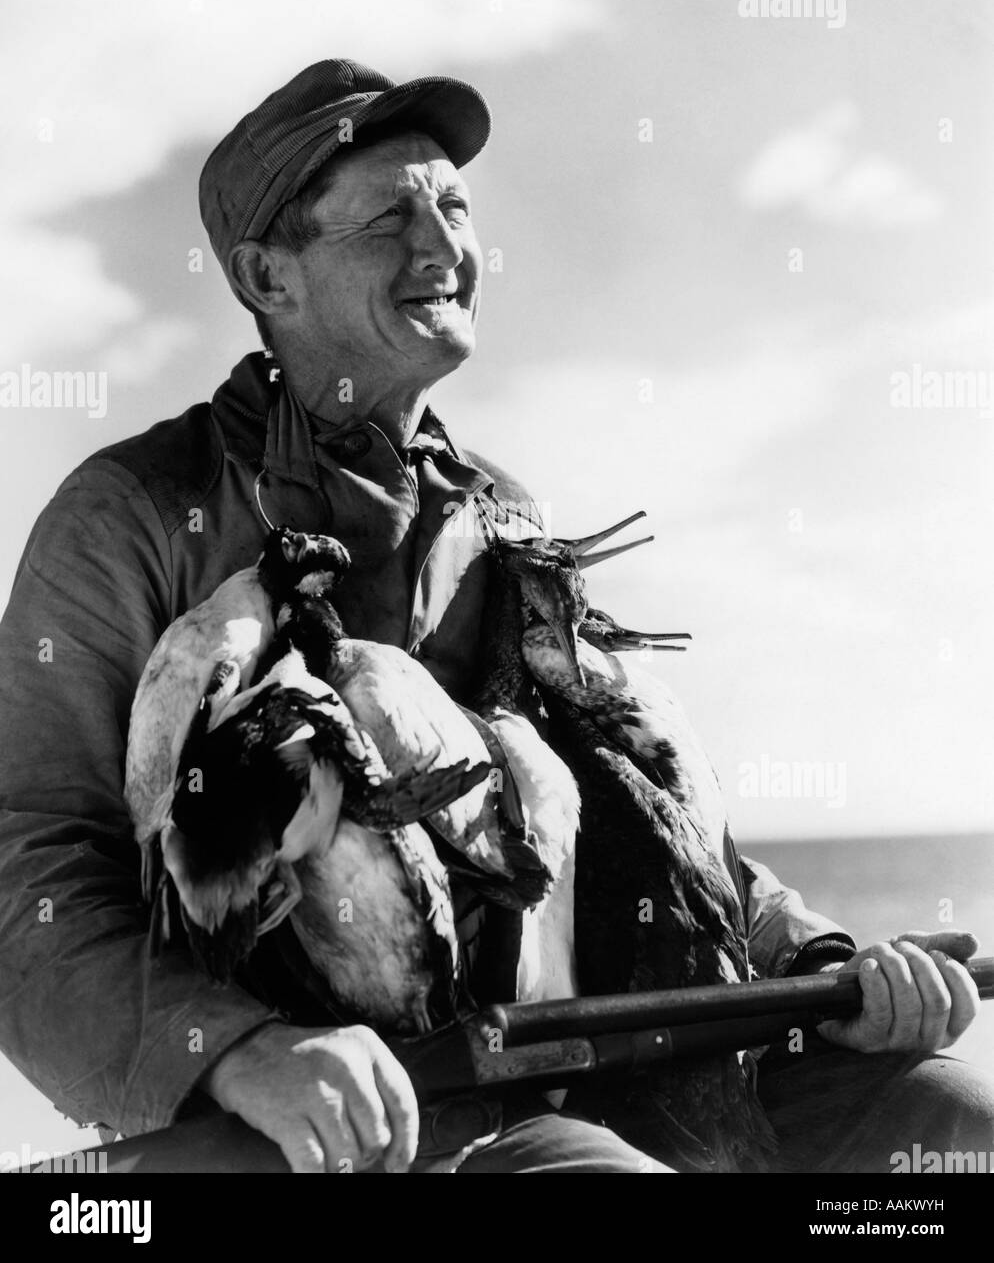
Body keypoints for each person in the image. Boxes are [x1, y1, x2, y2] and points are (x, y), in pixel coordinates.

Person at [0, 59, 989, 1175]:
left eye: (454, 207)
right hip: (356, 1130)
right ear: (266, 275)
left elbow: (633, 812)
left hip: (595, 1062)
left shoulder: (503, 519)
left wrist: (823, 962)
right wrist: (237, 1051)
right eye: (388, 218)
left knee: (954, 1128)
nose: (443, 248)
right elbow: (28, 879)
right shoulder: (129, 518)